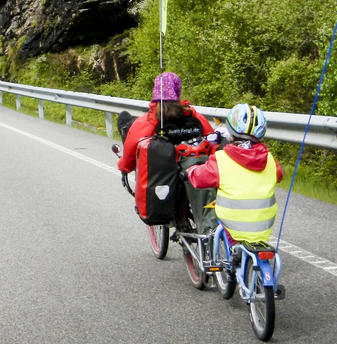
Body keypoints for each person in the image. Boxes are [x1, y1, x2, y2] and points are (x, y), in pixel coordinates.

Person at [185, 102, 284, 245]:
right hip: (264, 226)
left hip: (232, 227)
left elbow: (198, 179)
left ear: (230, 132)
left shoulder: (221, 159)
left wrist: (191, 169)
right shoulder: (270, 160)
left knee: (225, 236)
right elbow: (279, 175)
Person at [117, 71, 214, 174]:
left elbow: (127, 164)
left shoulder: (144, 123)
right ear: (178, 91)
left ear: (155, 92)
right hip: (194, 183)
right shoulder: (197, 118)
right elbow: (214, 148)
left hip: (159, 184)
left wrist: (122, 166)